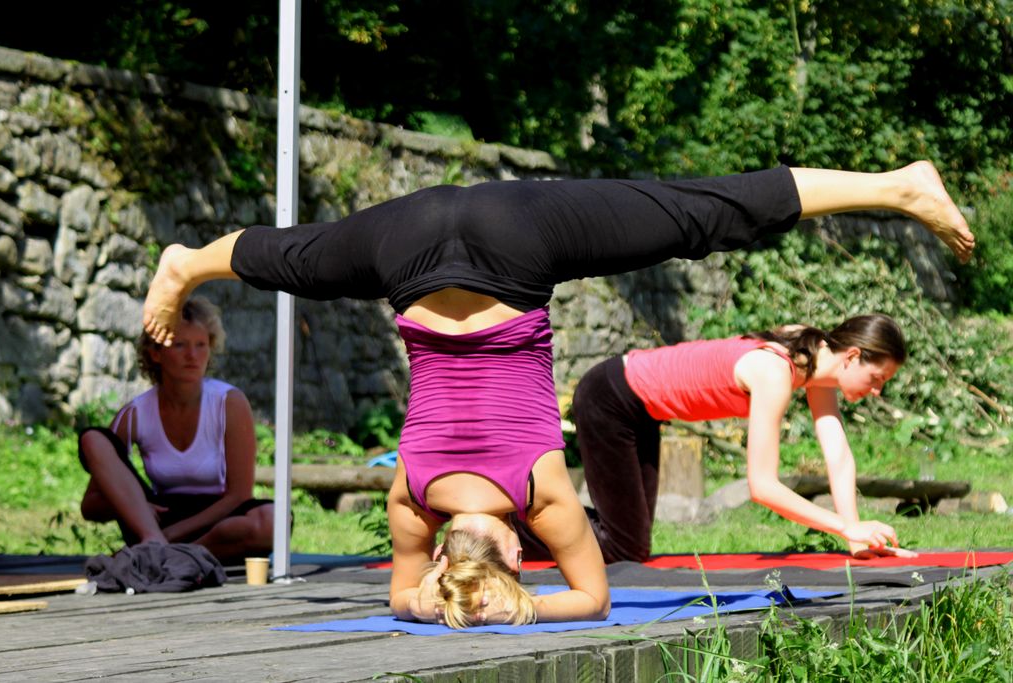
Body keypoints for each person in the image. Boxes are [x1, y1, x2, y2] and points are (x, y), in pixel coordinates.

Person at [140, 161, 972, 627]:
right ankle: (189, 261)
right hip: (408, 242)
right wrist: (436, 601)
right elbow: (402, 593)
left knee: (693, 216)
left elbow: (591, 596)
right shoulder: (411, 497)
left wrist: (521, 605)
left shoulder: (541, 499)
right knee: (303, 259)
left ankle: (899, 186)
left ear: (513, 551)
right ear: (442, 551)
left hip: (515, 248)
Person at [553, 313, 917, 566]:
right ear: (853, 356)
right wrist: (844, 525)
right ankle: (522, 524)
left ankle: (545, 516)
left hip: (640, 409)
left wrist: (855, 539)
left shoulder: (816, 353)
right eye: (877, 378)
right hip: (610, 397)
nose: (877, 391)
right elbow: (762, 486)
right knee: (623, 548)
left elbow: (837, 453)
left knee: (628, 543)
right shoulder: (775, 371)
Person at [79, 297, 274, 564]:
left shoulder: (229, 403)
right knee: (93, 439)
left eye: (201, 345)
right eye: (180, 345)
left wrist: (167, 536)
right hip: (158, 518)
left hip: (212, 520)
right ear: (155, 353)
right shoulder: (134, 414)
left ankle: (167, 555)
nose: (192, 356)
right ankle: (167, 552)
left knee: (272, 523)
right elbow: (91, 505)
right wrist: (138, 509)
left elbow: (240, 495)